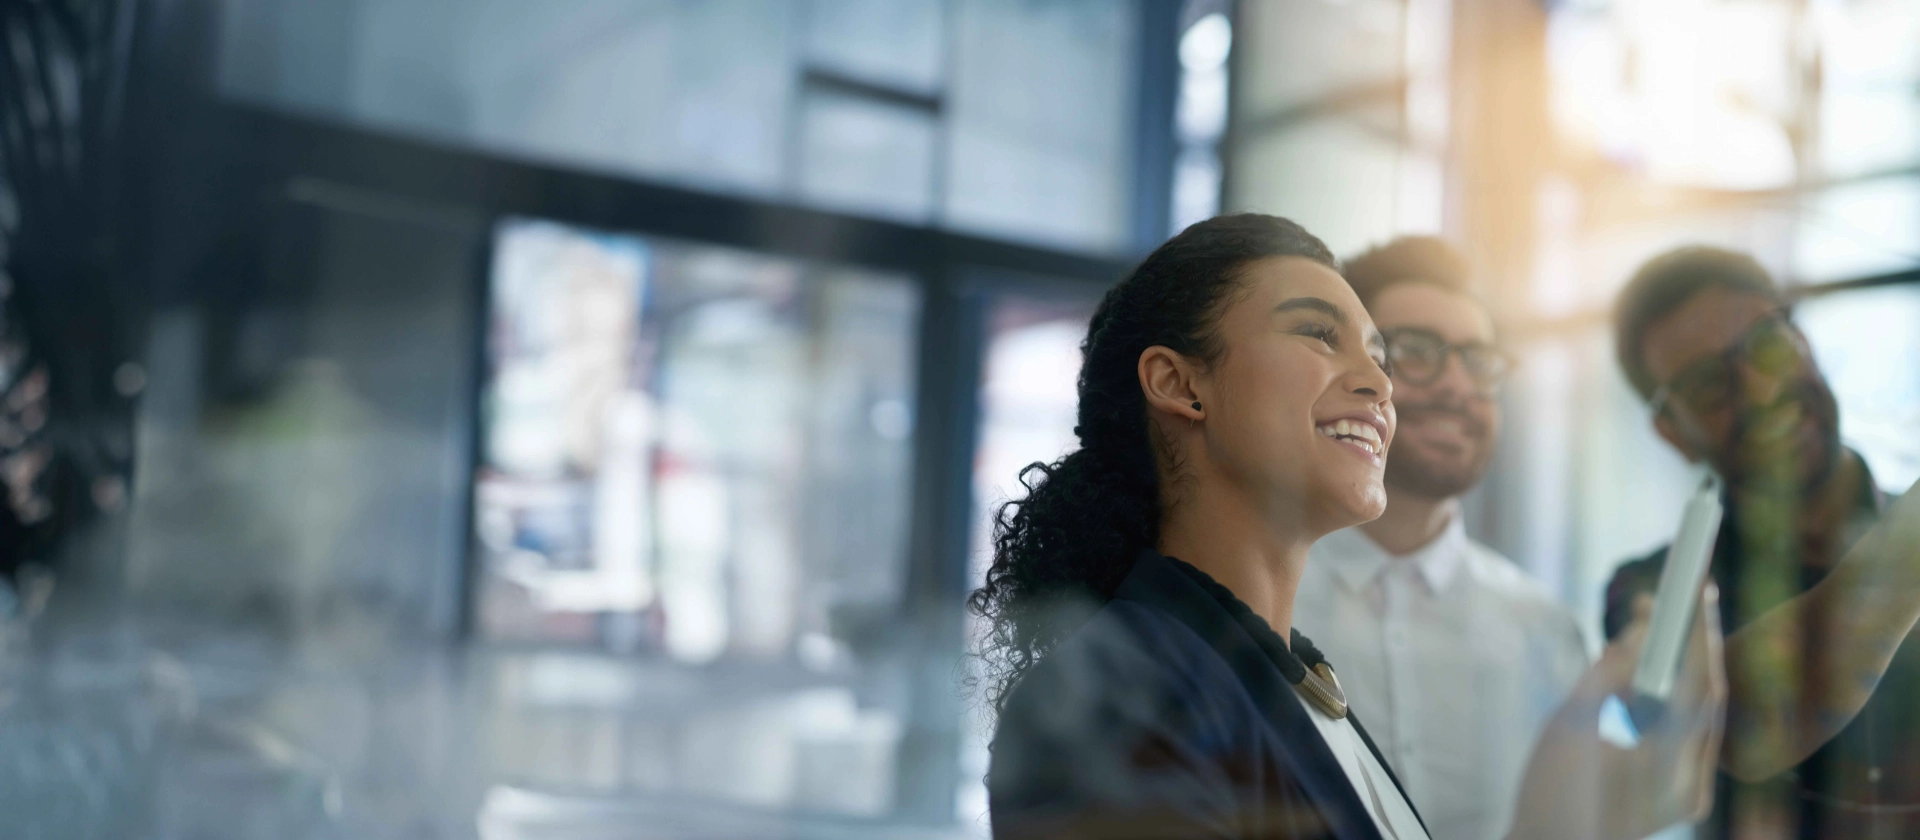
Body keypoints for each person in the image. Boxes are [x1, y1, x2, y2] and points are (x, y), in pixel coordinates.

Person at [975, 214, 1725, 840]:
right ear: (1179, 383)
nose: (1379, 384)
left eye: (1377, 356)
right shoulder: (1112, 693)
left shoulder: (1298, 679)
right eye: (1316, 334)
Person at [1603, 246, 1920, 838]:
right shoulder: (1651, 593)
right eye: (1707, 385)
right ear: (1673, 431)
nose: (1760, 390)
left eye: (1768, 347)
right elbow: (1720, 731)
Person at [1291, 238, 1586, 840]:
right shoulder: (1260, 597)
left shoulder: (1545, 631)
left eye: (1478, 360)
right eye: (1414, 351)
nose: (1456, 385)